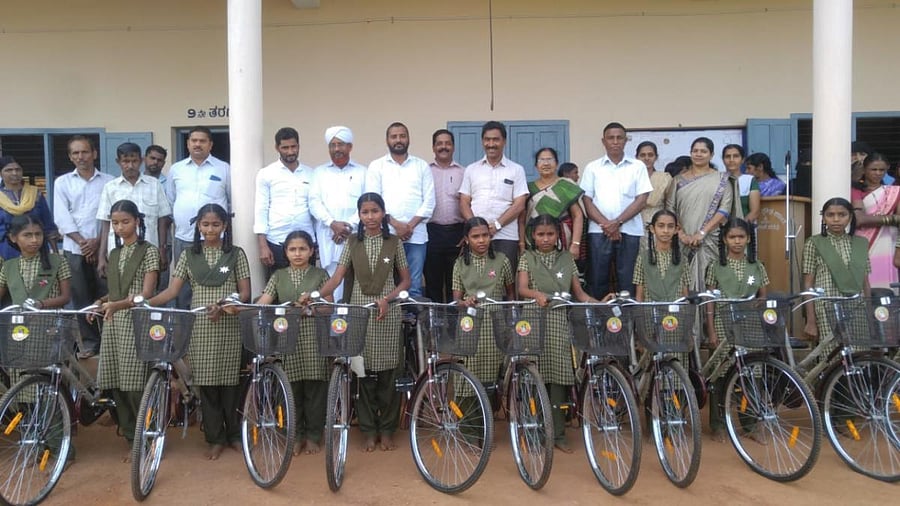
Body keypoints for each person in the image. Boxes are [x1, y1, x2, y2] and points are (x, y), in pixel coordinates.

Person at [148, 204, 251, 460]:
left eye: (216, 224)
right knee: (206, 383)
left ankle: (235, 435)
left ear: (225, 226)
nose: (210, 229)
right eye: (205, 224)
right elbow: (172, 292)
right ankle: (215, 438)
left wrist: (226, 303)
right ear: (198, 226)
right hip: (201, 326)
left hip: (228, 322)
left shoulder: (236, 254)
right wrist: (145, 303)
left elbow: (246, 293)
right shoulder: (188, 255)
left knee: (231, 383)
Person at [316, 193, 411, 452]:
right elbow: (337, 277)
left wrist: (387, 299)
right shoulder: (352, 243)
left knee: (389, 373)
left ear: (383, 213)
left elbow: (405, 281)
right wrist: (315, 295)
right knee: (363, 372)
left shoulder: (394, 242)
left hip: (387, 314)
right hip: (359, 312)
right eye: (365, 212)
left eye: (375, 211)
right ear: (359, 215)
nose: (370, 217)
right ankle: (369, 429)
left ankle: (387, 429)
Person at [516, 214, 597, 452]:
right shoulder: (527, 257)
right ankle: (533, 431)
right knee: (534, 377)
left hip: (560, 322)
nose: (545, 239)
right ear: (533, 235)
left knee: (559, 377)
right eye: (540, 234)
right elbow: (521, 289)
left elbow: (579, 294)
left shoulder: (566, 259)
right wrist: (536, 295)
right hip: (533, 320)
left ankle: (558, 434)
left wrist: (598, 302)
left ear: (558, 235)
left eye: (550, 234)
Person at [91, 200, 159, 457]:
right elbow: (114, 292)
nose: (120, 227)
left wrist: (115, 304)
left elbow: (146, 294)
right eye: (115, 223)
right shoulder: (115, 253)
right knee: (116, 382)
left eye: (125, 221)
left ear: (137, 222)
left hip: (136, 320)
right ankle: (131, 436)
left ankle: (147, 436)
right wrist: (99, 302)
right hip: (113, 321)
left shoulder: (149, 251)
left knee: (134, 383)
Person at [256, 230, 329, 455]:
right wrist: (241, 308)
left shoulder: (320, 275)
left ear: (311, 251)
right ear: (285, 253)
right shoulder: (278, 276)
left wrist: (312, 309)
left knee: (315, 391)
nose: (297, 254)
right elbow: (264, 302)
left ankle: (314, 435)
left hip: (314, 339)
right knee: (290, 390)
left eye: (302, 249)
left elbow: (329, 307)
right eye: (292, 249)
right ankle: (295, 435)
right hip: (288, 339)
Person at [703, 218, 768, 441]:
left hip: (750, 324)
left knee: (751, 374)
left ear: (749, 239)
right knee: (721, 374)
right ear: (724, 239)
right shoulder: (715, 266)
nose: (737, 241)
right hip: (722, 323)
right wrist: (710, 330)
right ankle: (718, 424)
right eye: (732, 237)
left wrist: (759, 303)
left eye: (741, 237)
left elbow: (763, 295)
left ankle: (750, 424)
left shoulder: (757, 266)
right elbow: (709, 301)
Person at [53, 135, 114, 358]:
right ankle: (90, 342)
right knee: (81, 296)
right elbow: (62, 217)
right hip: (74, 248)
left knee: (106, 294)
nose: (81, 157)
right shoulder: (62, 183)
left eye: (85, 152)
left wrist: (97, 243)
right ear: (70, 157)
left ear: (94, 153)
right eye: (75, 153)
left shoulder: (109, 182)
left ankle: (109, 341)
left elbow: (110, 216)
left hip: (104, 249)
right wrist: (83, 243)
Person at [580, 122, 652, 297]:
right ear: (603, 141)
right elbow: (587, 200)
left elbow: (642, 199)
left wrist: (617, 223)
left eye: (619, 138)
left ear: (626, 141)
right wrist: (607, 225)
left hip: (630, 231)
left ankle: (628, 322)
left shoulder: (638, 166)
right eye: (610, 138)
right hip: (599, 231)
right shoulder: (593, 167)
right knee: (597, 279)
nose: (615, 142)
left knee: (628, 280)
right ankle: (598, 321)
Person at [798, 198, 870, 372]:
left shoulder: (860, 244)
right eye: (830, 215)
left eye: (842, 215)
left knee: (858, 359)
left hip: (856, 308)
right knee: (831, 360)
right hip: (825, 309)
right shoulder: (813, 243)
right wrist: (811, 320)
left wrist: (869, 313)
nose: (836, 219)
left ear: (850, 217)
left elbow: (865, 282)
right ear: (823, 218)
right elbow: (808, 284)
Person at [365, 122, 434, 298]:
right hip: (386, 235)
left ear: (408, 138)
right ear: (387, 140)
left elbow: (429, 201)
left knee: (414, 285)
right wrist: (395, 224)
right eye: (394, 136)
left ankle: (411, 324)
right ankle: (389, 322)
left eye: (402, 136)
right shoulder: (376, 166)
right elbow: (373, 201)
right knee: (385, 281)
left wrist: (409, 226)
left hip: (416, 236)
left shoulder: (421, 166)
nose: (398, 140)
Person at [164, 126, 231, 309]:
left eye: (202, 141)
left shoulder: (223, 168)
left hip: (215, 238)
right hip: (184, 238)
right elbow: (171, 201)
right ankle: (186, 326)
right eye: (194, 140)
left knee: (216, 281)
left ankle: (211, 321)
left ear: (210, 144)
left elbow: (232, 201)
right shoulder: (176, 170)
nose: (197, 144)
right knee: (183, 286)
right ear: (187, 143)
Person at [666, 137, 736, 303]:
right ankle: (688, 324)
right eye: (695, 151)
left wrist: (702, 232)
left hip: (710, 240)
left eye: (703, 151)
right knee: (681, 284)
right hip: (681, 241)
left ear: (711, 155)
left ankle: (711, 324)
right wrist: (681, 234)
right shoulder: (678, 180)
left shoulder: (722, 179)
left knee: (712, 283)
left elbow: (724, 209)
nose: (698, 154)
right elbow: (670, 209)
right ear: (690, 153)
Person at [453, 217, 514, 393]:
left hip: (495, 326)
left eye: (485, 235)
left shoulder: (502, 261)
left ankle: (491, 413)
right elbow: (455, 300)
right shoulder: (459, 264)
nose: (481, 240)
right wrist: (464, 302)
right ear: (466, 239)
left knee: (494, 370)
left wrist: (509, 322)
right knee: (469, 370)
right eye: (475, 236)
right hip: (469, 326)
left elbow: (510, 294)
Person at [459, 121, 528, 272]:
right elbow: (464, 201)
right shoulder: (472, 169)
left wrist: (496, 225)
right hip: (477, 237)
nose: (491, 144)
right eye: (487, 139)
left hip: (506, 236)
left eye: (496, 139)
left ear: (504, 141)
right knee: (476, 278)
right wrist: (476, 227)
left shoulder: (516, 170)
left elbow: (519, 204)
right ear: (482, 141)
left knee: (506, 280)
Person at [309, 126, 366, 302]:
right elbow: (314, 202)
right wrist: (332, 224)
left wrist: (347, 226)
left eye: (340, 144)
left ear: (350, 147)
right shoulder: (319, 172)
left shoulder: (363, 172)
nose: (336, 149)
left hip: (355, 234)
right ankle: (333, 320)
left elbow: (367, 203)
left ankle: (351, 318)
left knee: (354, 274)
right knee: (330, 274)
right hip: (328, 234)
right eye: (332, 145)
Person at [96, 142, 172, 275]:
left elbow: (162, 220)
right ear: (118, 162)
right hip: (118, 250)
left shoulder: (154, 185)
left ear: (141, 160)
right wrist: (102, 256)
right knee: (120, 292)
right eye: (125, 161)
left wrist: (162, 249)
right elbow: (105, 224)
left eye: (134, 161)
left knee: (149, 292)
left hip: (149, 250)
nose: (130, 165)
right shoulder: (110, 188)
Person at [254, 127, 315, 277]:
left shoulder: (311, 173)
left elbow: (315, 208)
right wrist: (263, 246)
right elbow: (261, 208)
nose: (290, 152)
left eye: (293, 147)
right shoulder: (266, 174)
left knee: (307, 291)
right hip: (276, 242)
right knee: (277, 292)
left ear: (299, 146)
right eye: (285, 147)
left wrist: (317, 242)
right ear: (277, 148)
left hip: (306, 243)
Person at [520, 148, 584, 260]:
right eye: (541, 160)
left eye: (550, 159)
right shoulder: (527, 188)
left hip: (562, 240)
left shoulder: (566, 186)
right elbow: (521, 219)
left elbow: (577, 215)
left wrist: (575, 244)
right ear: (536, 165)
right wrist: (521, 243)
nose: (546, 163)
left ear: (557, 163)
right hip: (533, 241)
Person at [424, 129, 465, 303]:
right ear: (433, 147)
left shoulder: (464, 172)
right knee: (432, 281)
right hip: (431, 232)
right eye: (439, 143)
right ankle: (434, 323)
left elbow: (468, 202)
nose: (444, 147)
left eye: (447, 143)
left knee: (454, 282)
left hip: (457, 233)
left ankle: (453, 322)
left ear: (453, 147)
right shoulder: (424, 171)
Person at [852, 153, 900, 289]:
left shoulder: (894, 191)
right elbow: (860, 219)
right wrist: (894, 219)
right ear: (864, 169)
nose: (878, 173)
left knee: (887, 288)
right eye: (873, 169)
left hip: (888, 243)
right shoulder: (856, 190)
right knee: (866, 283)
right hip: (863, 243)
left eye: (882, 170)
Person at [0, 156, 59, 260]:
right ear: (1, 173)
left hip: (37, 249)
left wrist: (55, 253)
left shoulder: (35, 194)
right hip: (6, 251)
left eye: (18, 169)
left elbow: (48, 226)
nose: (14, 173)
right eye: (9, 170)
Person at [632, 210, 691, 303]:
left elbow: (685, 294)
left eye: (670, 226)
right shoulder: (643, 258)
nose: (666, 231)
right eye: (661, 226)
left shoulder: (682, 259)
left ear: (676, 230)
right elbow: (639, 294)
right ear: (652, 229)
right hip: (650, 313)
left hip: (676, 313)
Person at [636, 141, 674, 244]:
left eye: (650, 155)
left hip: (658, 223)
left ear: (656, 157)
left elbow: (669, 204)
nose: (646, 158)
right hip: (633, 221)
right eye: (642, 155)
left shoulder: (664, 178)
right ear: (637, 157)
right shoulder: (629, 178)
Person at [722, 145, 760, 222]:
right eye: (728, 156)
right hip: (719, 230)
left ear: (742, 160)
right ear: (723, 160)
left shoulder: (749, 180)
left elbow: (755, 212)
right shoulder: (717, 179)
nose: (731, 160)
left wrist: (739, 228)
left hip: (744, 229)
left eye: (736, 156)